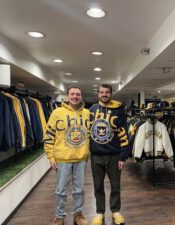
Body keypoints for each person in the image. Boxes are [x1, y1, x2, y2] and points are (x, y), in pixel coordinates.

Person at [44, 86, 90, 225]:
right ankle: (59, 216)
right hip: (62, 159)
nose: (75, 96)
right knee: (61, 190)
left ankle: (78, 214)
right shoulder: (57, 112)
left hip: (81, 159)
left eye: (78, 94)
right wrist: (51, 157)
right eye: (72, 94)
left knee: (79, 189)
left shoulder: (87, 113)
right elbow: (49, 135)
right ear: (67, 96)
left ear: (81, 96)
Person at [89, 84, 129, 225]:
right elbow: (88, 132)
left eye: (107, 92)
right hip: (96, 155)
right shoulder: (92, 110)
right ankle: (100, 213)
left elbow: (124, 133)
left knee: (115, 185)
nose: (104, 94)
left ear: (111, 94)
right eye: (102, 92)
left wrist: (123, 156)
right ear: (98, 94)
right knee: (98, 185)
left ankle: (115, 211)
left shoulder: (119, 110)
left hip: (114, 155)